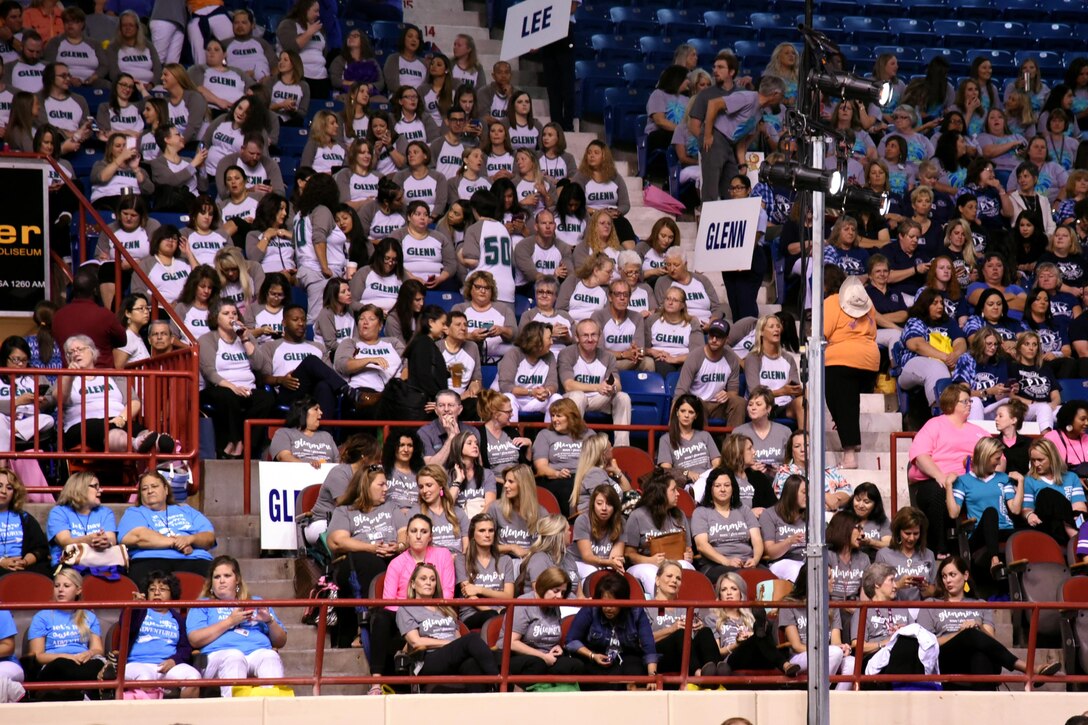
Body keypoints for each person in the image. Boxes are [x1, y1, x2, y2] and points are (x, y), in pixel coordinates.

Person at [917, 556, 1060, 688]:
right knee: (970, 635)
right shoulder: (931, 604)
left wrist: (978, 626)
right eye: (944, 576)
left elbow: (990, 641)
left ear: (965, 575)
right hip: (946, 658)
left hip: (976, 658)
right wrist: (961, 634)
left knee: (981, 657)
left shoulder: (981, 604)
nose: (947, 580)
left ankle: (985, 707)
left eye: (952, 575)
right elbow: (927, 643)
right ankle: (1029, 668)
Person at [186, 555, 286, 698]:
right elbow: (194, 639)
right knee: (234, 656)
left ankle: (273, 711)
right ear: (211, 582)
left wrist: (269, 621)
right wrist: (230, 622)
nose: (221, 580)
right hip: (217, 656)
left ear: (237, 579)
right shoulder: (202, 604)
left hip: (255, 653)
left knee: (270, 656)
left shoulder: (256, 602)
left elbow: (280, 641)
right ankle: (235, 714)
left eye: (227, 575)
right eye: (216, 577)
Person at [907, 383, 989, 556]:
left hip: (970, 482)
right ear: (951, 403)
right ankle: (939, 548)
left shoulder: (979, 432)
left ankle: (981, 549)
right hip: (935, 480)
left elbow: (999, 458)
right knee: (940, 492)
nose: (969, 405)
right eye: (965, 401)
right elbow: (920, 455)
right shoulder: (934, 425)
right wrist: (940, 476)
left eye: (970, 402)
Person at [327, 463, 400, 647]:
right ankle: (366, 627)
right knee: (369, 562)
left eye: (386, 484)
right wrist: (372, 548)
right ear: (366, 487)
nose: (386, 488)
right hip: (357, 564)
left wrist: (400, 545)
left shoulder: (391, 507)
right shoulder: (345, 511)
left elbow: (405, 531)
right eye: (381, 485)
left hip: (391, 557)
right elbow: (337, 540)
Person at [395, 562, 499, 687]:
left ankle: (483, 703)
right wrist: (449, 643)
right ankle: (499, 681)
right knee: (472, 639)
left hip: (453, 655)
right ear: (413, 584)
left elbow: (458, 637)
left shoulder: (445, 609)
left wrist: (456, 645)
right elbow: (416, 642)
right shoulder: (406, 609)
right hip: (428, 658)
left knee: (473, 665)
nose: (428, 582)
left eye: (432, 579)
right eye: (423, 578)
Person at [59, 335, 165, 455]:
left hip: (116, 419)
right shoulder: (65, 378)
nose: (76, 353)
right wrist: (69, 376)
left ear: (92, 351)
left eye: (80, 349)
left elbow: (134, 401)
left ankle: (160, 443)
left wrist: (122, 417)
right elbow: (59, 398)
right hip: (83, 424)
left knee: (138, 430)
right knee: (111, 430)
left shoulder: (112, 375)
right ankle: (136, 443)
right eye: (71, 352)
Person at [198, 299, 275, 459]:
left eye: (234, 313)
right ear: (215, 318)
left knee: (266, 399)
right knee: (228, 397)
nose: (231, 317)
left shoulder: (245, 337)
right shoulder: (207, 339)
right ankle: (234, 441)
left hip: (248, 389)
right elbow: (209, 373)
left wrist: (245, 339)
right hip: (219, 388)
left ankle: (249, 446)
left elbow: (262, 366)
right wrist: (233, 387)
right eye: (226, 314)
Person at [119, 470, 216, 586]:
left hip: (195, 559)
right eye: (144, 489)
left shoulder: (187, 511)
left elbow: (209, 537)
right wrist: (177, 542)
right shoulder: (135, 512)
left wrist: (190, 539)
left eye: (154, 486)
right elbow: (139, 537)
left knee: (217, 575)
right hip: (151, 560)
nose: (150, 491)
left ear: (165, 490)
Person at [566, 571, 659, 690]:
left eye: (613, 604)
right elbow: (571, 641)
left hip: (627, 657)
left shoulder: (636, 612)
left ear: (623, 601)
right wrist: (592, 655)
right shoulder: (591, 609)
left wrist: (652, 676)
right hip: (596, 659)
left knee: (633, 675)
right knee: (606, 680)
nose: (608, 608)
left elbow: (649, 646)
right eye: (604, 604)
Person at [824, 276, 881, 468]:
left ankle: (849, 454)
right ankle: (852, 441)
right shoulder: (868, 303)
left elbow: (822, 332)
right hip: (870, 363)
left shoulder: (831, 302)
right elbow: (874, 333)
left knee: (841, 402)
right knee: (845, 401)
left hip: (841, 361)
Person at [26, 568, 107, 701]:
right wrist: (65, 656)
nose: (60, 590)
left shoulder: (89, 616)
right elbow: (38, 656)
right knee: (63, 664)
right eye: (57, 586)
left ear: (78, 590)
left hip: (83, 662)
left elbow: (98, 649)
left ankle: (80, 694)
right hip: (54, 664)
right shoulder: (42, 616)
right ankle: (91, 690)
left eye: (66, 586)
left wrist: (89, 653)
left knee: (97, 663)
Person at [704, 572, 797, 678]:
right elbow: (717, 653)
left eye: (734, 589)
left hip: (758, 657)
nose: (729, 593)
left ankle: (759, 632)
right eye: (724, 589)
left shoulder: (752, 616)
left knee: (760, 633)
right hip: (732, 660)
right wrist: (737, 644)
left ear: (741, 593)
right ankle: (785, 665)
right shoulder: (712, 618)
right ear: (719, 595)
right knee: (757, 635)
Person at [498, 565, 585, 679]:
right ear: (544, 587)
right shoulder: (523, 604)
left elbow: (551, 635)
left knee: (576, 666)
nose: (559, 596)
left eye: (563, 593)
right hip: (518, 656)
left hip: (547, 657)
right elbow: (511, 642)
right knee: (537, 664)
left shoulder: (554, 606)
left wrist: (557, 647)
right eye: (556, 591)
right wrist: (543, 656)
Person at [850, 563, 931, 684]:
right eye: (891, 580)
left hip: (903, 654)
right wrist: (885, 643)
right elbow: (857, 645)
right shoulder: (863, 610)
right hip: (876, 659)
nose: (895, 585)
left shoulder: (902, 608)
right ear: (877, 584)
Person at [123, 571, 200, 697]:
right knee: (146, 678)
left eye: (163, 589)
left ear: (171, 594)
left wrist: (174, 660)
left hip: (167, 666)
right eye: (152, 589)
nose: (157, 592)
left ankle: (185, 716)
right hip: (138, 664)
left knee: (193, 678)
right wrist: (135, 607)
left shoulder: (178, 619)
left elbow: (185, 648)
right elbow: (126, 628)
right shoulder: (139, 611)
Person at [557, 318, 632, 446]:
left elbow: (617, 384)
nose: (590, 339)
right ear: (576, 337)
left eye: (594, 335)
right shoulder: (567, 354)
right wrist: (598, 387)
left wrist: (611, 387)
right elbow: (569, 385)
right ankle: (573, 445)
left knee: (623, 397)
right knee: (578, 395)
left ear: (599, 336)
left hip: (599, 399)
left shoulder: (608, 357)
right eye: (585, 335)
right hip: (574, 400)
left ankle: (622, 447)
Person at [625, 469, 695, 594]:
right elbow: (628, 554)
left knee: (686, 567)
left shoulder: (680, 515)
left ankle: (685, 611)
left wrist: (688, 556)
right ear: (660, 494)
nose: (678, 494)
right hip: (646, 565)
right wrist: (649, 560)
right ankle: (660, 610)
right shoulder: (637, 516)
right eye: (673, 490)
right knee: (652, 573)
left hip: (674, 563)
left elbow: (688, 549)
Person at [647, 560, 722, 677]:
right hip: (661, 656)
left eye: (678, 578)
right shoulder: (646, 607)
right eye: (669, 576)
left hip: (688, 653)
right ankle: (698, 675)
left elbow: (696, 637)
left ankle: (719, 673)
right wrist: (671, 629)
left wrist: (699, 628)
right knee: (681, 633)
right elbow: (642, 642)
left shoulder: (687, 608)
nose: (674, 581)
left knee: (705, 632)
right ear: (657, 580)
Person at [692, 466, 763, 582]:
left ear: (733, 488)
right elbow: (701, 545)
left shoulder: (744, 509)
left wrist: (755, 559)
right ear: (711, 488)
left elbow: (757, 539)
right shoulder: (701, 512)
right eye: (718, 486)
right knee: (742, 577)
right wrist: (727, 561)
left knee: (770, 579)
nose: (723, 489)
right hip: (715, 565)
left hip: (747, 563)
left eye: (727, 485)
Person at [334, 304, 404, 419]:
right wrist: (369, 360)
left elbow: (407, 362)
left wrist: (401, 384)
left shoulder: (392, 343)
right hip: (362, 393)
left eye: (371, 319)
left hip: (392, 392)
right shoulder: (351, 343)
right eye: (361, 319)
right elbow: (342, 365)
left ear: (380, 326)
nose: (365, 322)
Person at [1015, 438, 1087, 546]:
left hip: (1069, 523)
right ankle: (1078, 539)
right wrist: (1029, 515)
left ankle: (1077, 537)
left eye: (1040, 459)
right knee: (1047, 493)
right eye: (1033, 460)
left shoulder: (1071, 477)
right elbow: (1027, 509)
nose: (1036, 464)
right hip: (1045, 525)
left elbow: (1079, 507)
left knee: (1076, 516)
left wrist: (1073, 519)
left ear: (1052, 458)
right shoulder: (1029, 480)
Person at [673, 319, 744, 426]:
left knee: (739, 402)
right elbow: (681, 391)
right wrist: (672, 423)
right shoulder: (695, 356)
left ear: (726, 339)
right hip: (698, 404)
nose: (714, 340)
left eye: (719, 336)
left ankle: (733, 441)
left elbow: (734, 391)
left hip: (719, 405)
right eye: (711, 335)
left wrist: (727, 394)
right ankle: (701, 441)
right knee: (698, 403)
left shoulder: (731, 358)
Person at [532, 398, 593, 518]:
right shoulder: (545, 435)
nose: (554, 420)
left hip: (584, 475)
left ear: (571, 417)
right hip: (556, 477)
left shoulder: (588, 434)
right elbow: (541, 468)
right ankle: (571, 522)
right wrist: (557, 473)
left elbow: (596, 460)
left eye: (559, 416)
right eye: (553, 416)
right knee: (566, 487)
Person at [455, 512, 515, 630]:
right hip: (472, 615)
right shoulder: (461, 560)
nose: (487, 535)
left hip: (501, 611)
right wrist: (496, 612)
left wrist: (480, 589)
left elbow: (508, 596)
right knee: (492, 616)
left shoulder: (505, 560)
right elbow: (470, 595)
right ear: (473, 534)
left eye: (491, 530)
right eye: (482, 531)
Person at [495, 320, 562, 423]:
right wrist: (531, 392)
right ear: (537, 341)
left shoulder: (550, 356)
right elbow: (505, 386)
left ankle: (550, 435)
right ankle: (513, 435)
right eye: (549, 338)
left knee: (557, 398)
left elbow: (553, 383)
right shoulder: (514, 354)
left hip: (537, 400)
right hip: (516, 400)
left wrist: (546, 392)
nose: (552, 342)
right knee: (509, 398)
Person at [0, 336, 55, 452]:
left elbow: (51, 399)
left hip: (28, 421)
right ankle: (2, 466)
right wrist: (17, 402)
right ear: (5, 358)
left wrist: (43, 402)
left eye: (24, 360)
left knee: (48, 420)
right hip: (4, 418)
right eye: (16, 359)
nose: (20, 364)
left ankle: (7, 434)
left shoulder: (35, 375)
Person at [875, 506, 938, 601]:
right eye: (907, 533)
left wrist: (925, 589)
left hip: (922, 611)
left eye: (916, 533)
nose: (912, 538)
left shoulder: (929, 554)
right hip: (894, 611)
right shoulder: (883, 555)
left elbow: (934, 590)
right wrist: (897, 585)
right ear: (898, 532)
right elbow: (876, 591)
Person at [401, 465, 468, 554]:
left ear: (441, 485)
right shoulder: (414, 514)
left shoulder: (458, 512)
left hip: (458, 562)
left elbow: (466, 547)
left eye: (429, 485)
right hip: (430, 564)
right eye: (421, 487)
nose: (424, 490)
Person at [658, 393, 722, 486]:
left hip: (707, 481)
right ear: (677, 412)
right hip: (684, 483)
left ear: (696, 415)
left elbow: (717, 462)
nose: (686, 415)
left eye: (691, 412)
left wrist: (708, 476)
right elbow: (666, 470)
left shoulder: (705, 435)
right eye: (683, 411)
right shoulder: (666, 439)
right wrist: (687, 473)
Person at [0, 466, 49, 577]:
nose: (3, 491)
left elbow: (41, 548)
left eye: (9, 488)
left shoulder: (24, 517)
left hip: (22, 566)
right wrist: (2, 562)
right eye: (0, 486)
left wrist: (25, 562)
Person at [570, 432, 633, 518]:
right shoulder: (594, 474)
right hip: (595, 521)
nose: (613, 450)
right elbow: (606, 501)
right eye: (610, 448)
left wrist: (617, 471)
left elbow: (628, 492)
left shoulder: (601, 472)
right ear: (603, 453)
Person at [570, 484, 626, 580]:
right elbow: (587, 556)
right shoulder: (582, 520)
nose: (604, 508)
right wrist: (609, 563)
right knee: (593, 572)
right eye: (599, 503)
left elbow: (616, 556)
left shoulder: (620, 522)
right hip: (579, 562)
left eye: (609, 504)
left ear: (615, 506)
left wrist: (615, 563)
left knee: (617, 576)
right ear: (593, 505)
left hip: (605, 564)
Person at [269, 396, 338, 466]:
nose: (321, 412)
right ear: (303, 412)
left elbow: (339, 462)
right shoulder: (284, 433)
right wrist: (308, 465)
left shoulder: (326, 436)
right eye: (316, 409)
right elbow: (284, 457)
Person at [418, 390, 479, 465]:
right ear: (436, 410)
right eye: (441, 405)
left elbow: (477, 466)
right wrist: (451, 437)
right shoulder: (424, 432)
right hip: (438, 476)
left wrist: (458, 438)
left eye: (451, 405)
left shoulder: (472, 431)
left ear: (459, 410)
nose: (446, 409)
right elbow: (430, 467)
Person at [447, 428, 499, 517]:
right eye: (469, 443)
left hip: (481, 520)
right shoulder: (448, 475)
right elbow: (447, 504)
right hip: (457, 521)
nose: (475, 446)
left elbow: (490, 504)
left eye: (476, 443)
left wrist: (476, 523)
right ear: (458, 446)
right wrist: (458, 480)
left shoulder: (487, 474)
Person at [382, 429, 424, 512]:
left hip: (418, 517)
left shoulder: (422, 472)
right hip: (390, 516)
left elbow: (440, 494)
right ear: (393, 447)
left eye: (410, 445)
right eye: (401, 445)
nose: (406, 450)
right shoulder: (382, 471)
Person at [852, 482, 893, 557]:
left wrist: (870, 542)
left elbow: (889, 545)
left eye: (866, 502)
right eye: (857, 500)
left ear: (875, 504)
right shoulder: (844, 517)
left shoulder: (882, 520)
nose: (861, 505)